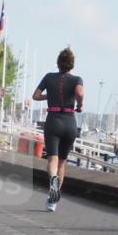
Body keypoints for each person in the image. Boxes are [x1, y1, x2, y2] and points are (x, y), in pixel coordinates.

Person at [33, 48, 84, 212]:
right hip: (70, 123)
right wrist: (80, 105)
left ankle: (52, 181)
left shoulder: (49, 77)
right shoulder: (77, 79)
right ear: (72, 65)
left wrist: (49, 96)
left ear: (58, 63)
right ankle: (53, 201)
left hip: (53, 121)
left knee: (52, 160)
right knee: (62, 162)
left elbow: (35, 96)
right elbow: (79, 93)